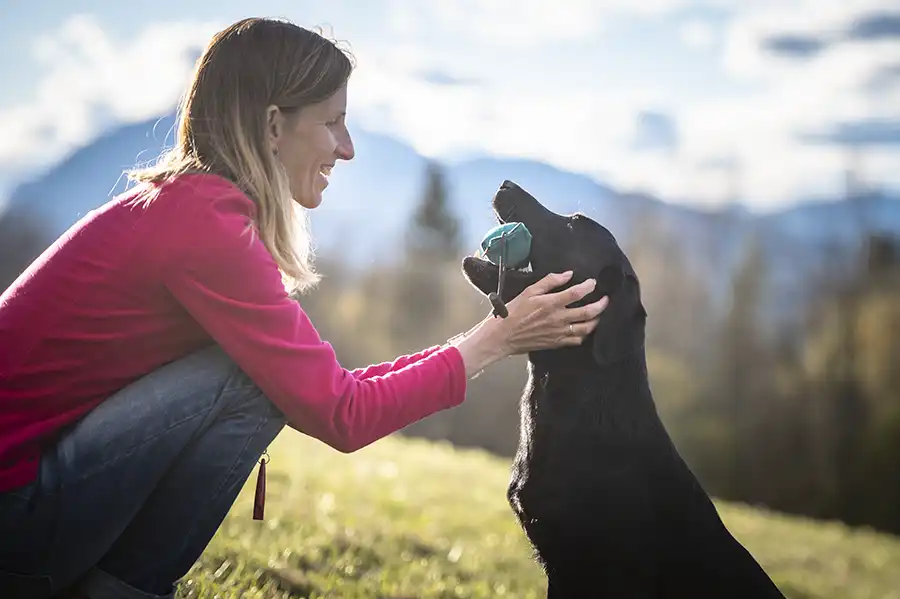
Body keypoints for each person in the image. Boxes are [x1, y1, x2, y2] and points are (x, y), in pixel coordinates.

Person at [0, 17, 609, 599]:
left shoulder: (189, 208)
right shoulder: (206, 229)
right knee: (246, 379)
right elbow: (341, 413)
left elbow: (327, 391)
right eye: (333, 123)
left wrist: (481, 341)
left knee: (256, 374)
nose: (346, 149)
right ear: (272, 127)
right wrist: (495, 339)